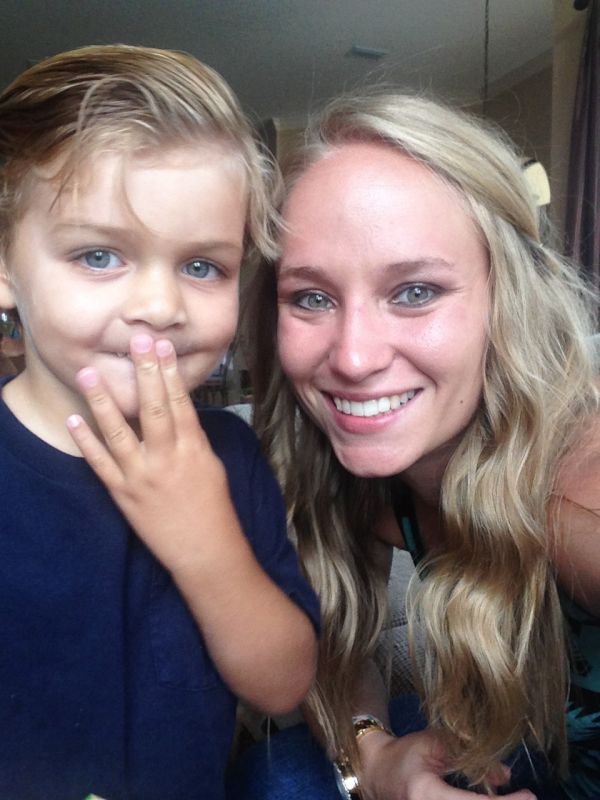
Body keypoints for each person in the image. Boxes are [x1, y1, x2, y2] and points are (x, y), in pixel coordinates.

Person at [228, 93, 600, 799]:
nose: (353, 357)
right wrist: (371, 758)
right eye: (311, 298)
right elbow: (337, 649)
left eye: (416, 292)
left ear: (508, 300)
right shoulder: (366, 475)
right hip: (534, 756)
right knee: (278, 776)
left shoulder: (577, 505)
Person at [0, 44, 319, 800]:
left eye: (203, 266)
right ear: (6, 268)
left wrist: (207, 543)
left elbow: (284, 685)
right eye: (98, 255)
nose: (160, 306)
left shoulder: (231, 455)